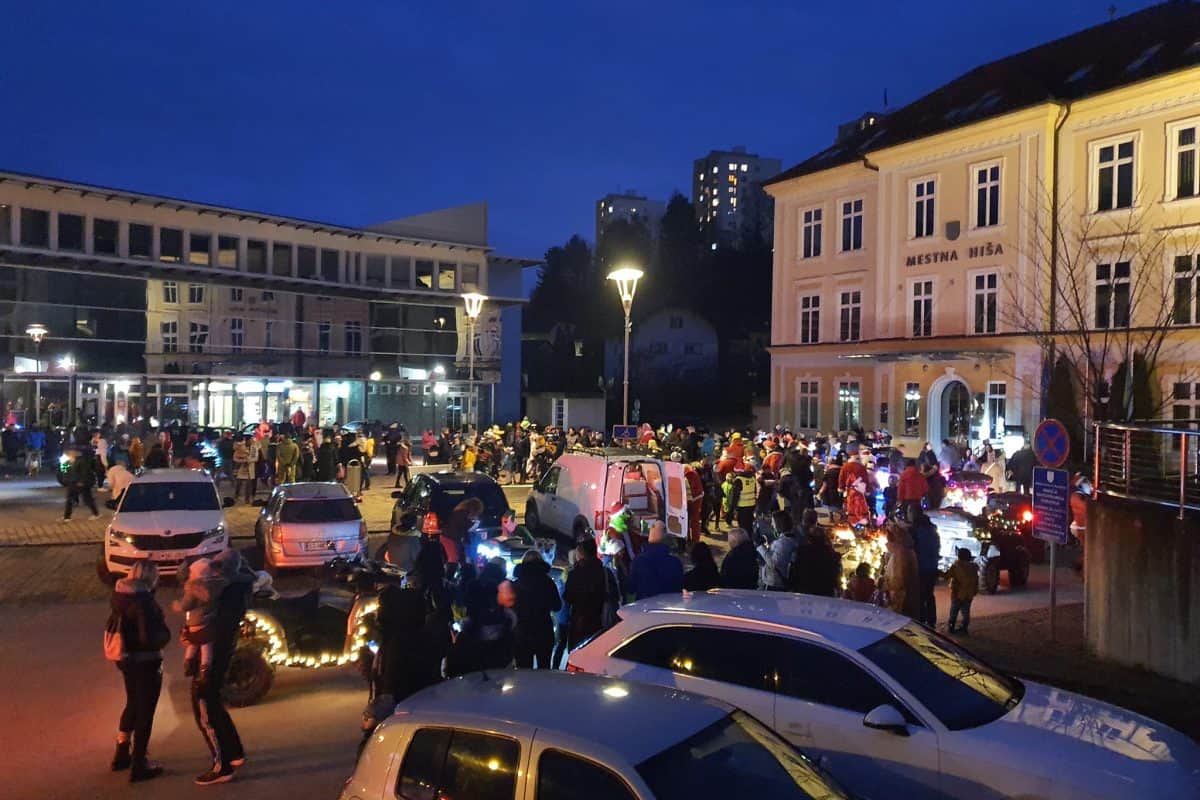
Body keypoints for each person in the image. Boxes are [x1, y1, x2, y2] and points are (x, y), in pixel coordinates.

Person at [191, 548, 253, 786]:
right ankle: (234, 753)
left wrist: (193, 637)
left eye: (216, 566)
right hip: (219, 654)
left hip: (212, 658)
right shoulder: (236, 587)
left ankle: (222, 765)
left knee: (205, 709)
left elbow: (216, 627)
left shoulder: (225, 592)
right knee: (215, 704)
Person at [109, 559, 170, 783]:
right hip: (146, 661)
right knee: (145, 711)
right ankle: (139, 763)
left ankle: (121, 751)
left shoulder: (120, 595)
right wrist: (165, 636)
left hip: (125, 658)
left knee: (133, 703)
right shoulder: (144, 601)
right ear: (150, 577)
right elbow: (149, 638)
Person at [173, 558, 228, 680]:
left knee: (192, 644)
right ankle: (205, 669)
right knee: (206, 646)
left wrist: (177, 605)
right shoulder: (216, 586)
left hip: (194, 622)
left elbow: (186, 605)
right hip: (209, 621)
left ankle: (188, 663)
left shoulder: (193, 589)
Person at [512, 550, 562, 669]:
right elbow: (557, 606)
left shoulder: (516, 584)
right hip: (543, 630)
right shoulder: (548, 582)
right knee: (544, 668)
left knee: (523, 670)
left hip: (522, 631)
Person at [563, 538, 607, 649]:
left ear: (582, 554)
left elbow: (568, 597)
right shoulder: (604, 571)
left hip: (579, 619)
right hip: (599, 618)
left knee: (579, 651)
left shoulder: (575, 574)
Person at [630, 521, 684, 600]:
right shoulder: (675, 562)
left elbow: (631, 588)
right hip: (669, 604)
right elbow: (680, 588)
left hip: (644, 605)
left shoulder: (638, 561)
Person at [909, 509, 941, 627]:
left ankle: (921, 620)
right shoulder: (933, 531)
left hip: (921, 567)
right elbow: (936, 548)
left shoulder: (916, 531)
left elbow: (913, 548)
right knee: (929, 594)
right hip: (932, 567)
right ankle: (931, 621)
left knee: (920, 596)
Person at [790, 526, 841, 597]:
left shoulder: (802, 551)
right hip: (824, 592)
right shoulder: (831, 554)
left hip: (805, 591)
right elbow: (836, 575)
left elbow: (794, 571)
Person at [884, 522, 920, 620]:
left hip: (901, 599)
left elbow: (899, 580)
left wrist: (886, 584)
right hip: (902, 597)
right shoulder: (901, 551)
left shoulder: (901, 553)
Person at [757, 510, 798, 591]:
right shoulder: (790, 538)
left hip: (775, 582)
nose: (772, 525)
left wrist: (760, 547)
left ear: (779, 524)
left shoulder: (783, 542)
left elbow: (774, 564)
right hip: (777, 581)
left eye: (773, 522)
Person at [944, 547, 980, 635]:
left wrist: (937, 572)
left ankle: (951, 627)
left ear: (959, 556)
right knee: (966, 612)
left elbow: (947, 576)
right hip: (969, 594)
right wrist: (975, 591)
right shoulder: (973, 567)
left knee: (954, 612)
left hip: (957, 593)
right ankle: (964, 628)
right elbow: (976, 581)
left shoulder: (956, 566)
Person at [63, 446, 101, 521]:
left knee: (87, 499)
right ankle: (67, 517)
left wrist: (82, 481)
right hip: (73, 481)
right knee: (70, 499)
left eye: (71, 451)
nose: (69, 453)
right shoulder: (71, 460)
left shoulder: (83, 460)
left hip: (81, 483)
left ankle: (96, 513)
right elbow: (66, 470)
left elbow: (85, 472)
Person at [232, 437, 255, 505]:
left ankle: (247, 499)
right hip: (240, 468)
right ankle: (236, 495)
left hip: (249, 468)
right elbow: (235, 458)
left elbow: (255, 457)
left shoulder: (253, 448)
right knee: (239, 483)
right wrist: (243, 460)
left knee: (248, 484)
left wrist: (249, 460)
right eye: (250, 440)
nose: (251, 441)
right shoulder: (240, 448)